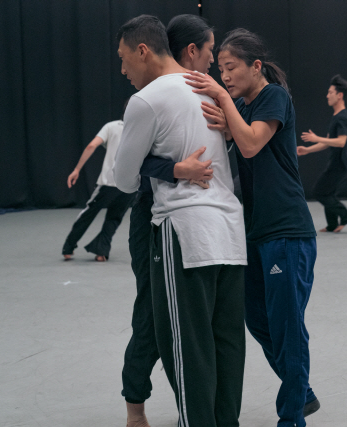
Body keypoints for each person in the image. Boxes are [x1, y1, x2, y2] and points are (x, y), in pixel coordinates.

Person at [114, 15, 246, 427]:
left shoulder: (147, 100)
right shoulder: (210, 90)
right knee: (226, 346)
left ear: (143, 51)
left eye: (123, 58)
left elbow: (122, 179)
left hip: (184, 235)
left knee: (188, 349)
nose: (122, 70)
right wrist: (175, 167)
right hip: (230, 234)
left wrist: (170, 171)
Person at [184, 28, 321, 427]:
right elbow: (234, 135)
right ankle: (303, 390)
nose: (224, 75)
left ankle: (292, 416)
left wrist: (225, 103)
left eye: (230, 68)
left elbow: (249, 144)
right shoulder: (243, 108)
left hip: (287, 231)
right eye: (220, 68)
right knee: (259, 321)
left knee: (287, 327)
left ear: (255, 66)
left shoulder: (273, 97)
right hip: (255, 232)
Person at [61, 103, 137, 261]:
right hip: (130, 184)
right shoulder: (141, 130)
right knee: (114, 218)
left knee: (88, 213)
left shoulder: (111, 126)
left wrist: (76, 169)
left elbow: (91, 146)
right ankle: (101, 252)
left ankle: (68, 248)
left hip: (108, 183)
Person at [297, 75, 347, 233]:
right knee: (327, 192)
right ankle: (332, 224)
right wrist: (307, 150)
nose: (327, 95)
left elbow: (341, 141)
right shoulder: (337, 116)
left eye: (330, 92)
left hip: (341, 163)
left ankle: (345, 217)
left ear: (339, 95)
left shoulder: (342, 117)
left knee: (320, 192)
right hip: (336, 162)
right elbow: (328, 141)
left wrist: (315, 137)